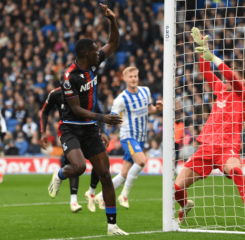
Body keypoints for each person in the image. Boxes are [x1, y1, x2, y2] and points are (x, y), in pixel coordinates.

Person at [47, 4, 128, 235]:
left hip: (90, 128)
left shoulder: (93, 63)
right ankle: (60, 174)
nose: (98, 51)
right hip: (71, 128)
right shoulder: (68, 77)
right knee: (80, 167)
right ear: (85, 54)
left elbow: (113, 44)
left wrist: (112, 20)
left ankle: (112, 225)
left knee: (105, 174)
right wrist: (103, 118)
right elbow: (75, 108)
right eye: (94, 50)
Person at [174, 27, 245, 230]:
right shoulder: (221, 89)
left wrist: (212, 56)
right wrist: (203, 48)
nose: (232, 80)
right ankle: (185, 205)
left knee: (237, 172)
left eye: (237, 78)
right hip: (207, 147)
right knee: (177, 188)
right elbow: (205, 71)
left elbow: (230, 77)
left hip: (228, 147)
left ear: (244, 82)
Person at [94, 66, 163, 209]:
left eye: (135, 76)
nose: (133, 79)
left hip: (140, 137)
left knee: (124, 173)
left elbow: (150, 109)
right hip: (128, 136)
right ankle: (124, 195)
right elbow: (111, 118)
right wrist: (109, 127)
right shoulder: (121, 99)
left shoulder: (145, 91)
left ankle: (100, 197)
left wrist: (158, 109)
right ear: (124, 79)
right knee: (141, 161)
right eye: (130, 77)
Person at [40, 87, 107, 213]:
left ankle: (91, 193)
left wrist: (103, 132)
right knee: (76, 166)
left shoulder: (89, 92)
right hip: (69, 133)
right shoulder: (56, 94)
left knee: (101, 165)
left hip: (89, 133)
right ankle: (73, 200)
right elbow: (44, 111)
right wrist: (43, 132)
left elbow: (99, 111)